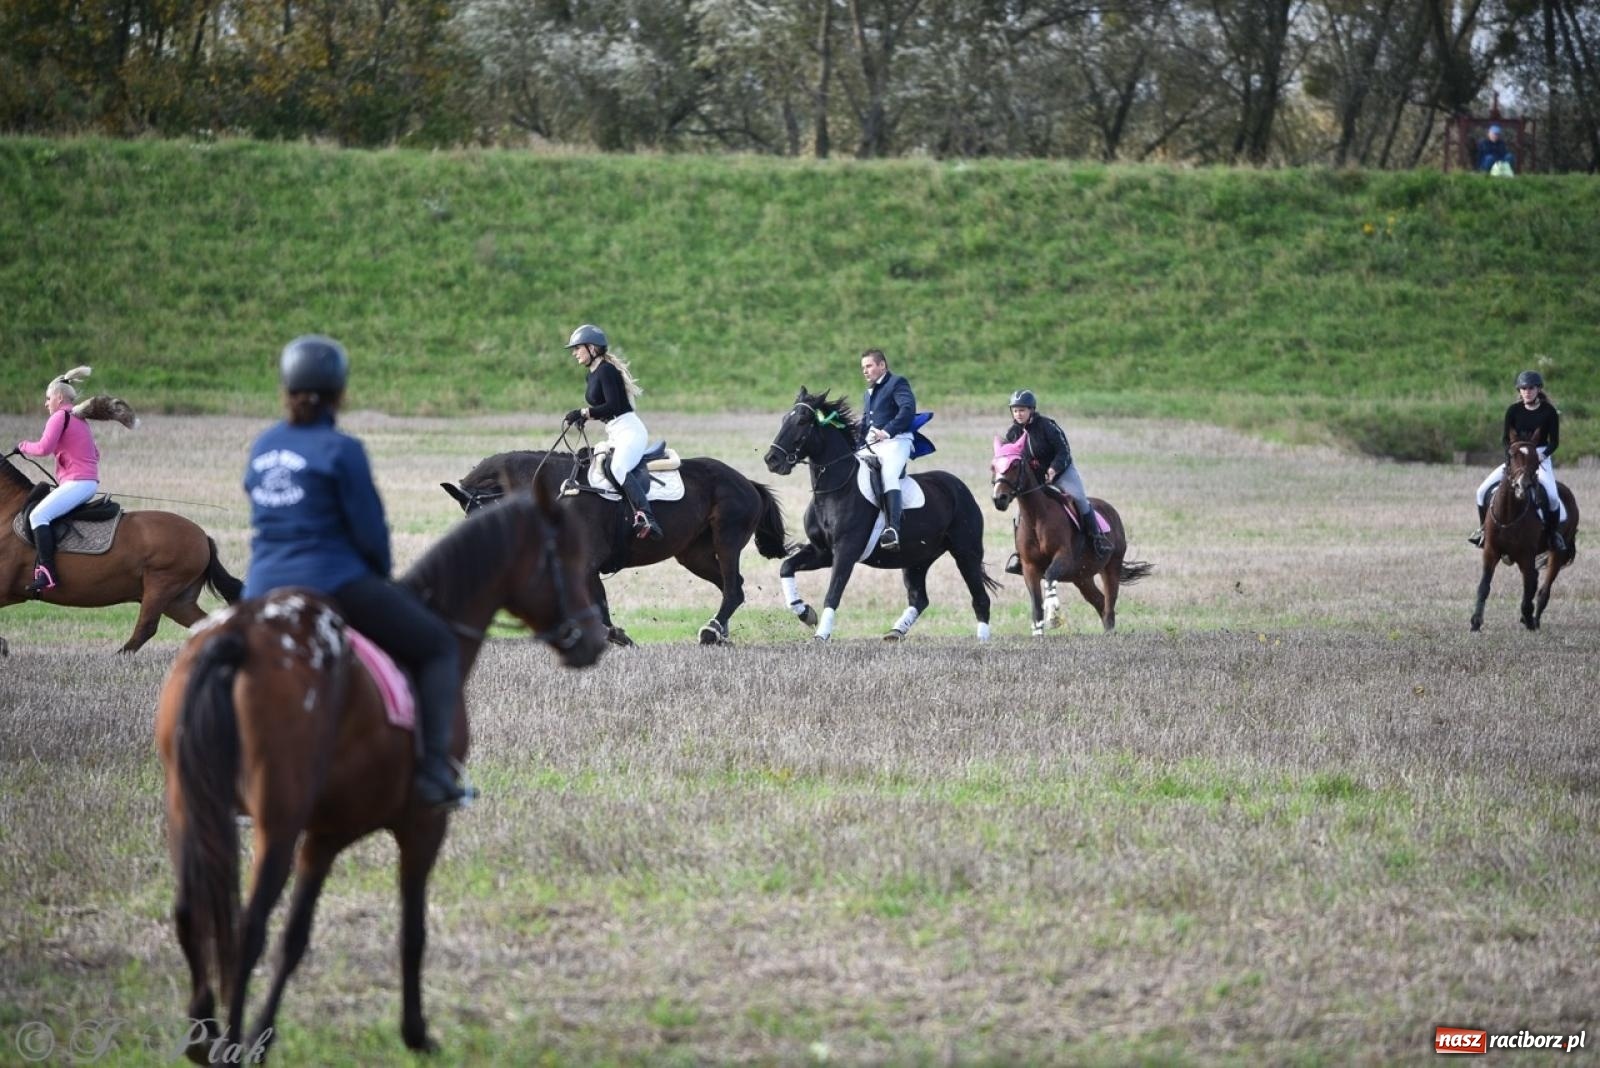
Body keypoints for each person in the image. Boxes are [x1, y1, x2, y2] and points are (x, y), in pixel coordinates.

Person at [244, 335, 472, 811]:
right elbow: (370, 532)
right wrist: (380, 572)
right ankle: (434, 773)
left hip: (260, 590)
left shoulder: (264, 445)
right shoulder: (341, 449)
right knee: (438, 646)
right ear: (340, 392)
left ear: (285, 388)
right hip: (334, 584)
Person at [562, 323, 662, 541]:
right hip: (615, 432)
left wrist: (583, 412)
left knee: (617, 467)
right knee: (599, 464)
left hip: (630, 431)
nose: (574, 353)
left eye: (577, 348)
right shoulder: (592, 375)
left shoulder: (607, 370)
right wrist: (584, 417)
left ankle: (647, 517)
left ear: (592, 348)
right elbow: (604, 408)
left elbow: (613, 405)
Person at [1001, 389, 1112, 573]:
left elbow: (1064, 451)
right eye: (1015, 410)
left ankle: (1097, 540)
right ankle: (1020, 556)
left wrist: (1053, 469)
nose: (1018, 414)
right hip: (1035, 479)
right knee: (1020, 513)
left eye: (1022, 410)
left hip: (1061, 472)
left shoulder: (1047, 426)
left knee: (1079, 498)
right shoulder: (1013, 433)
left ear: (1031, 410)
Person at [16, 367, 100, 594]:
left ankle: (47, 573)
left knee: (38, 515)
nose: (46, 403)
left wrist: (22, 446)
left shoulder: (59, 417)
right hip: (86, 482)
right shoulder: (79, 418)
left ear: (59, 397)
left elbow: (43, 448)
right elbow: (96, 454)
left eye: (48, 398)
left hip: (78, 483)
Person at [1468, 370, 1565, 553]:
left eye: (1531, 388)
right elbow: (1505, 439)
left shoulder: (1549, 412)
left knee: (1552, 496)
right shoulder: (1513, 410)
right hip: (1517, 456)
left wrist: (1542, 456)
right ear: (1519, 390)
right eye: (1523, 388)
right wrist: (1511, 455)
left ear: (1538, 389)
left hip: (1540, 455)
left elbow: (1554, 442)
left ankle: (1553, 535)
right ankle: (1483, 531)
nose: (1527, 391)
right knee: (1481, 491)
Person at [858, 348, 916, 550]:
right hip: (874, 443)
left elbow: (907, 410)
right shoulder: (868, 393)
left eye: (869, 366)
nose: (865, 371)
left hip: (897, 440)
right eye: (863, 367)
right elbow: (865, 423)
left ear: (882, 365)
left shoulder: (897, 383)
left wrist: (888, 431)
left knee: (889, 474)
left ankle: (892, 529)